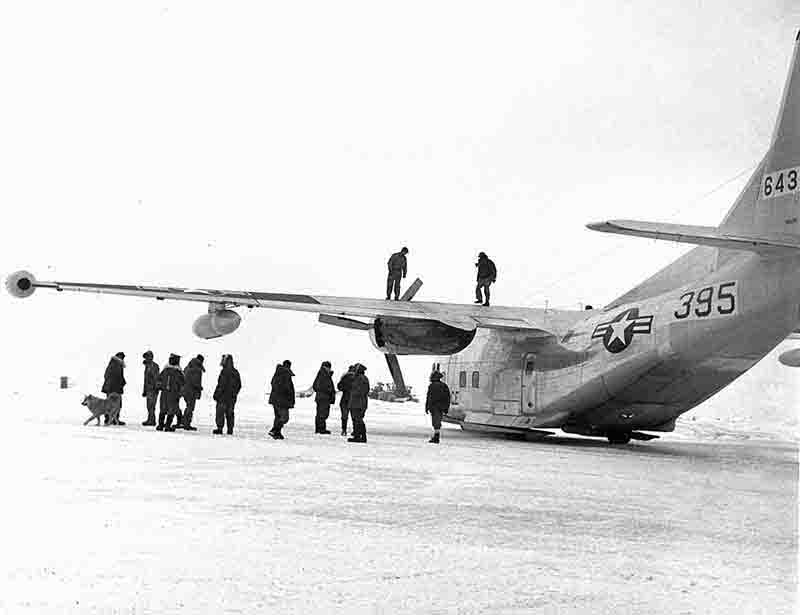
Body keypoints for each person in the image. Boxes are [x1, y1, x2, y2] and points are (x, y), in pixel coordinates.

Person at [212, 354, 241, 435]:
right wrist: (234, 394)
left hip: (223, 397)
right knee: (230, 413)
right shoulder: (235, 372)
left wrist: (217, 394)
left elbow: (221, 385)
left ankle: (219, 428)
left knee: (220, 413)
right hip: (231, 398)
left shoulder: (224, 372)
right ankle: (230, 430)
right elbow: (239, 385)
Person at [156, 353, 185, 432]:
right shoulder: (178, 371)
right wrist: (180, 393)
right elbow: (183, 384)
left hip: (165, 393)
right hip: (173, 394)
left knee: (163, 409)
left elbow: (159, 380)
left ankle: (161, 425)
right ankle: (167, 426)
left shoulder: (165, 370)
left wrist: (159, 387)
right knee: (171, 410)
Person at [268, 360, 295, 439]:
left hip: (276, 400)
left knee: (278, 417)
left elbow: (274, 384)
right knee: (284, 418)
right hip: (282, 401)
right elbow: (286, 388)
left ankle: (277, 433)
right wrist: (288, 394)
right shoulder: (285, 374)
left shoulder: (278, 374)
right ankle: (275, 430)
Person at [425, 371, 451, 443]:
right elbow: (448, 398)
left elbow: (429, 397)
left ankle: (436, 437)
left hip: (434, 407)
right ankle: (436, 436)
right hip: (441, 407)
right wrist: (446, 408)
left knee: (435, 422)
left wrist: (427, 407)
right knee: (438, 421)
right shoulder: (444, 386)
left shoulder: (431, 386)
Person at [101, 351, 126, 425]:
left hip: (110, 388)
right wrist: (122, 383)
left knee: (109, 404)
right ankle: (114, 419)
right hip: (114, 388)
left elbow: (106, 376)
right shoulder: (117, 364)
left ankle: (108, 419)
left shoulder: (112, 363)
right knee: (116, 404)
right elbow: (118, 377)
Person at [181, 354, 205, 431]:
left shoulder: (188, 367)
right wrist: (199, 388)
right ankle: (186, 423)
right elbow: (196, 382)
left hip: (185, 390)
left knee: (188, 406)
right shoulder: (197, 369)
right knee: (190, 407)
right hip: (191, 391)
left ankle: (184, 421)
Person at [347, 364, 370, 443]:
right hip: (357, 402)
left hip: (357, 403)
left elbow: (361, 390)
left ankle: (359, 436)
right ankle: (360, 436)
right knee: (357, 419)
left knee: (357, 419)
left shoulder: (360, 379)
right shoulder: (361, 378)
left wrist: (354, 391)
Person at [312, 361, 336, 434]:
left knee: (320, 413)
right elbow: (318, 386)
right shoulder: (324, 375)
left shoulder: (322, 374)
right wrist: (329, 391)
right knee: (323, 413)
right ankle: (321, 429)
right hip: (324, 398)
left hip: (321, 397)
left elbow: (315, 386)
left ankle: (319, 428)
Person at [141, 350, 160, 426]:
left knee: (151, 405)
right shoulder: (148, 366)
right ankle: (150, 419)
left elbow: (156, 378)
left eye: (147, 357)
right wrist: (145, 390)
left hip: (152, 389)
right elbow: (146, 380)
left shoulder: (153, 366)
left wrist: (156, 388)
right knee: (149, 405)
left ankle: (152, 420)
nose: (146, 358)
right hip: (149, 389)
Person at [337, 365, 356, 436]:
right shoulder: (356, 378)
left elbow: (339, 387)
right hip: (353, 399)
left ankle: (344, 430)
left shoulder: (345, 377)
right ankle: (355, 431)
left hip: (345, 399)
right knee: (354, 416)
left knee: (344, 416)